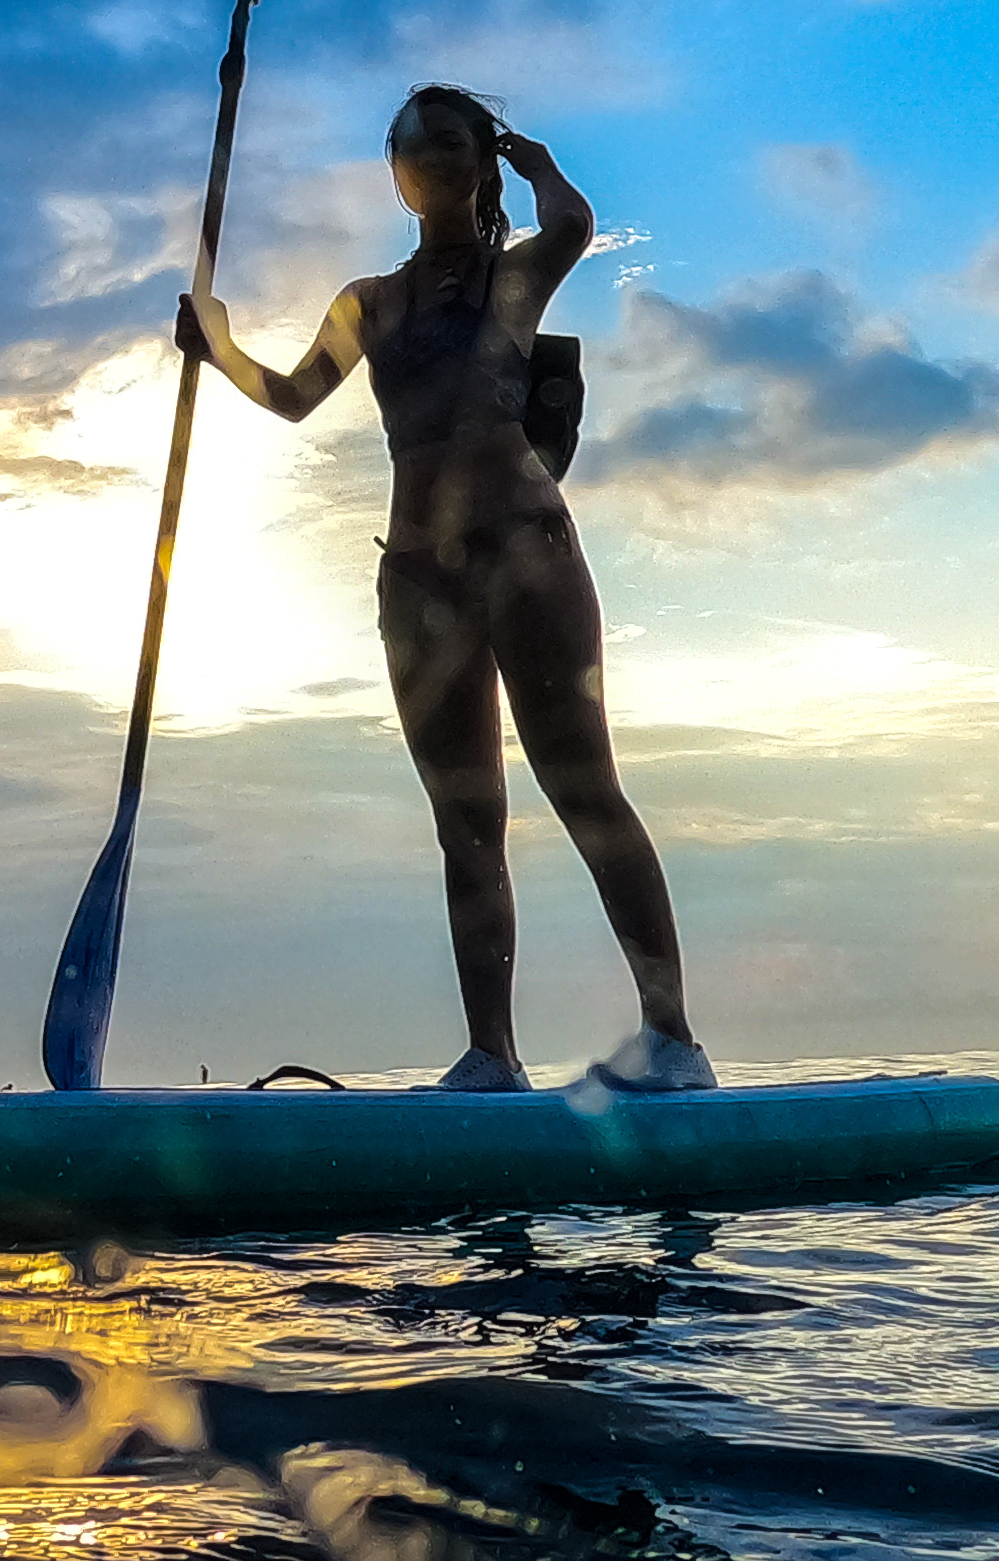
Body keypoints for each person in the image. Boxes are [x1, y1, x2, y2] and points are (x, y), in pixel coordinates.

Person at [178, 86, 712, 1094]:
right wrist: (217, 345)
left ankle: (674, 1042)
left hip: (526, 557)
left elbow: (575, 224)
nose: (428, 160)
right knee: (465, 823)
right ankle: (490, 1057)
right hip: (418, 581)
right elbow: (294, 399)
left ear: (479, 166)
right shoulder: (368, 302)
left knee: (585, 794)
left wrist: (536, 155)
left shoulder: (514, 282)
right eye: (412, 149)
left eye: (450, 145)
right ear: (398, 174)